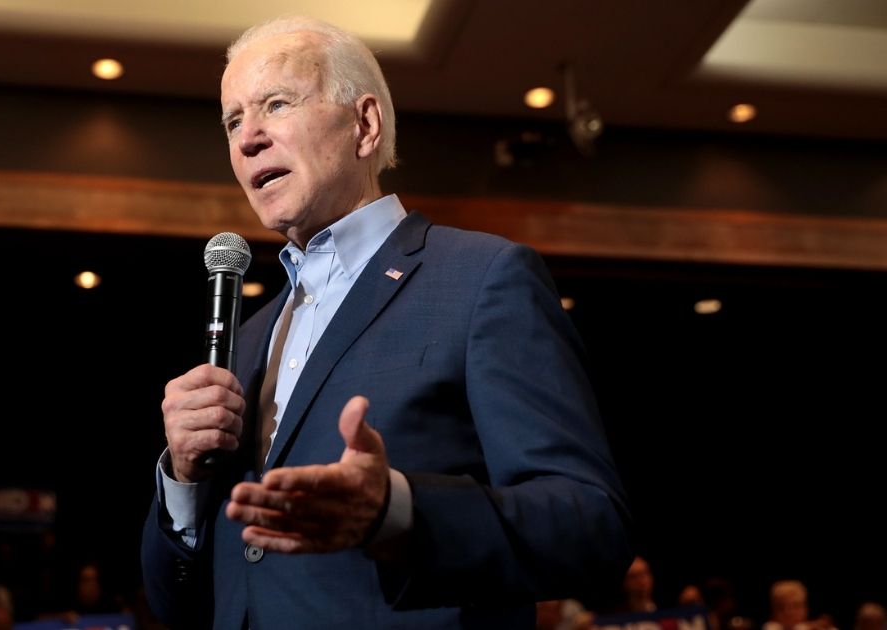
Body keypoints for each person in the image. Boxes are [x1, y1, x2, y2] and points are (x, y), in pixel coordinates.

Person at [140, 15, 632, 629]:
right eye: (233, 120)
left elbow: (592, 525)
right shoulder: (248, 338)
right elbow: (179, 603)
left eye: (276, 103)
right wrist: (183, 481)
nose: (248, 140)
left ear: (364, 125)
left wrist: (396, 511)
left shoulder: (482, 279)